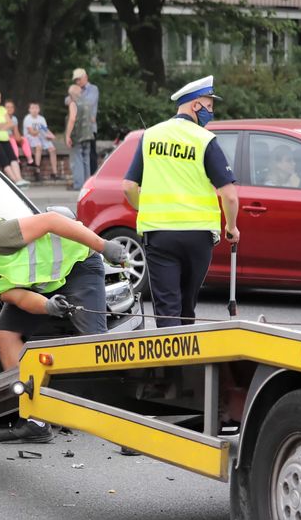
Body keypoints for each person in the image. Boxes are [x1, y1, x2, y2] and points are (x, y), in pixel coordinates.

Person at [0, 214, 129, 443]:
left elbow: (51, 220)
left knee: (94, 345)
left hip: (79, 265)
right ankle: (35, 420)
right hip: (45, 285)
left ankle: (129, 430)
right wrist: (47, 306)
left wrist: (103, 246)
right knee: (4, 332)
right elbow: (19, 298)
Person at [121, 75, 240, 329]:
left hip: (159, 236)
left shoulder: (150, 136)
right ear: (195, 105)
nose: (212, 111)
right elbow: (229, 195)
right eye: (209, 105)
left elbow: (129, 187)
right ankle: (188, 364)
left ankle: (171, 367)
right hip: (198, 237)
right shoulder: (204, 140)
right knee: (187, 306)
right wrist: (232, 227)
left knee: (166, 308)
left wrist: (146, 208)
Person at [68, 68, 100, 176]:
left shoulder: (93, 89)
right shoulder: (76, 89)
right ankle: (84, 180)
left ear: (85, 77)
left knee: (91, 155)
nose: (77, 82)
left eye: (79, 79)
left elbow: (89, 103)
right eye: (76, 80)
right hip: (78, 129)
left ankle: (92, 178)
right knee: (82, 156)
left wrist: (75, 95)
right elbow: (66, 100)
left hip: (90, 128)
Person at [65, 84, 96, 190]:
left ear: (71, 94)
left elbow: (72, 119)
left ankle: (78, 185)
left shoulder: (73, 104)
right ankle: (86, 185)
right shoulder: (87, 103)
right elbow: (92, 119)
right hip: (88, 135)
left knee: (77, 160)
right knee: (86, 160)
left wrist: (68, 135)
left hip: (78, 136)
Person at [23, 102, 59, 178]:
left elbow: (46, 130)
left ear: (39, 109)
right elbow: (32, 133)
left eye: (36, 108)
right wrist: (40, 129)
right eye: (32, 108)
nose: (34, 110)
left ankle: (54, 173)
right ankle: (37, 170)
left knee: (52, 149)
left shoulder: (41, 119)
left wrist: (51, 135)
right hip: (31, 137)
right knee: (38, 146)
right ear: (29, 110)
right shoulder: (27, 119)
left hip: (41, 136)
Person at [4, 99, 33, 167]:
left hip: (12, 136)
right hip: (5, 138)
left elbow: (16, 134)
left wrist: (20, 139)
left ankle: (30, 160)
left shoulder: (14, 119)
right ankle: (16, 159)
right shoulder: (2, 118)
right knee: (13, 140)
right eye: (7, 107)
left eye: (11, 107)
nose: (10, 109)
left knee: (24, 139)